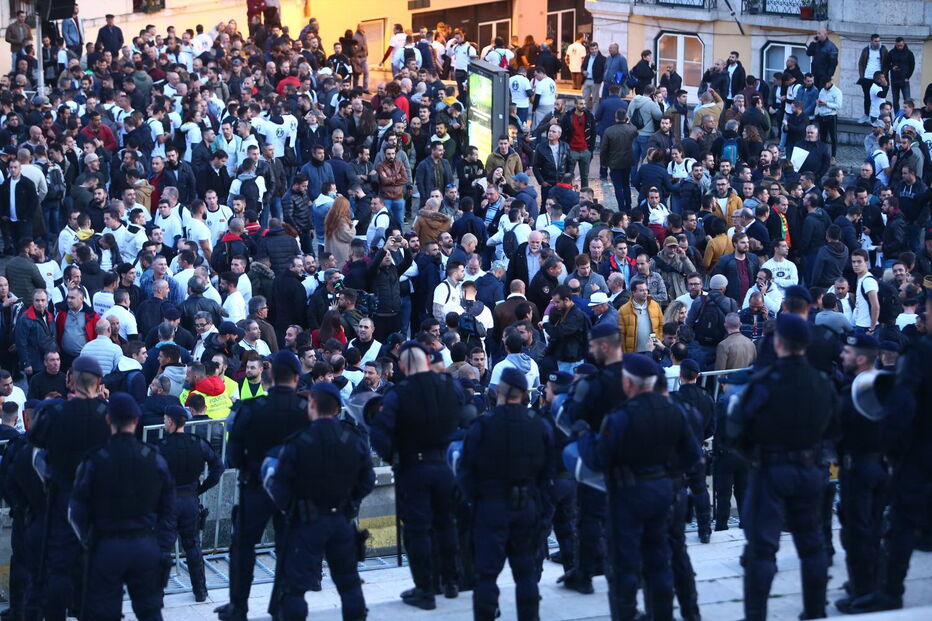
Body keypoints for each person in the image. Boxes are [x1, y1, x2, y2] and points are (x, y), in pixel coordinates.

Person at [576, 353, 702, 620]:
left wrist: (584, 435)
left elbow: (598, 460)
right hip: (663, 492)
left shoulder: (621, 416)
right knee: (659, 562)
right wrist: (667, 472)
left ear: (629, 383)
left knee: (624, 566)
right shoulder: (673, 410)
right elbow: (693, 455)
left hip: (628, 497)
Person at [728, 313, 837, 620]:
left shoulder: (765, 382)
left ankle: (756, 615)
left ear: (778, 343)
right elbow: (834, 429)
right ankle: (815, 611)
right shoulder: (822, 382)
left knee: (762, 549)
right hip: (809, 468)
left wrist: (755, 455)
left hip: (771, 470)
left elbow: (737, 430)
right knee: (812, 545)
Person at [264, 381, 375, 620]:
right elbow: (368, 480)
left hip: (306, 523)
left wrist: (293, 509)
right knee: (349, 584)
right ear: (336, 408)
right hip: (341, 520)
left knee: (295, 588)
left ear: (312, 405)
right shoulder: (352, 439)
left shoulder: (298, 442)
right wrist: (349, 502)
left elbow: (279, 485)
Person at [215, 351, 311, 621]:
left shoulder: (251, 408)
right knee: (287, 548)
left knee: (242, 548)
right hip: (291, 492)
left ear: (271, 376)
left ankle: (238, 607)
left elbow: (234, 454)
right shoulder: (306, 411)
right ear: (296, 378)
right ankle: (280, 605)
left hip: (255, 487)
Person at [370, 342, 463, 609]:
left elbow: (379, 432)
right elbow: (462, 409)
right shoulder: (449, 386)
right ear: (427, 361)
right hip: (444, 464)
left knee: (417, 529)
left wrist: (392, 456)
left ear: (401, 365)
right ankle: (450, 580)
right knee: (446, 524)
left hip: (414, 467)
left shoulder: (400, 393)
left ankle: (425, 589)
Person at [457, 367, 553, 621]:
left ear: (498, 391)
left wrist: (478, 500)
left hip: (491, 507)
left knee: (486, 575)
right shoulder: (538, 425)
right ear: (523, 393)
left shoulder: (483, 425)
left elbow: (466, 472)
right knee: (526, 574)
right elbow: (547, 474)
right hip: (526, 506)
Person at [68, 393, 174, 620]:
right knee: (150, 611)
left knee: (104, 612)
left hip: (106, 546)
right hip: (144, 543)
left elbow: (75, 512)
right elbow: (168, 508)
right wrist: (159, 544)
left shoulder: (94, 460)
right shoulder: (153, 458)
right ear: (136, 420)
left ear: (108, 420)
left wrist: (88, 541)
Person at [27, 356, 112, 620]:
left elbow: (36, 446)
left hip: (64, 496)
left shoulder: (55, 413)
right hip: (98, 500)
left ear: (71, 380)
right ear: (99, 382)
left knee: (59, 566)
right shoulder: (108, 415)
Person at [159, 405, 224, 601]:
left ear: (171, 422)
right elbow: (218, 468)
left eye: (165, 419)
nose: (164, 422)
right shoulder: (198, 443)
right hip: (190, 500)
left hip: (168, 502)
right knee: (193, 546)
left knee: (162, 548)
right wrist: (201, 488)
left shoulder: (161, 447)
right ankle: (200, 591)